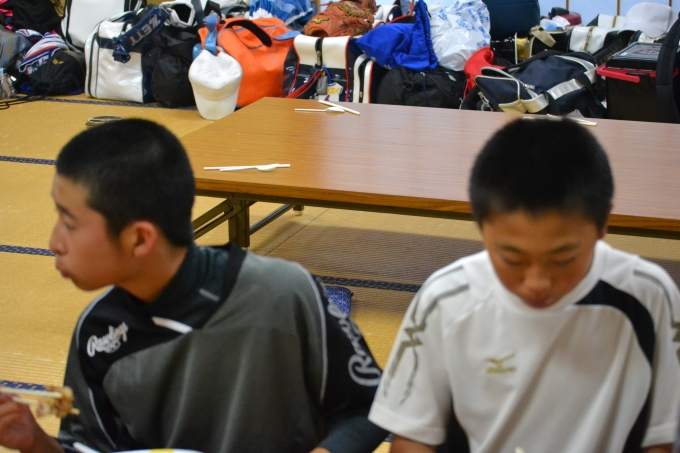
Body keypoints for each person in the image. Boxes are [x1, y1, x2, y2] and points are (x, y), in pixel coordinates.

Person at [0, 119, 387, 453]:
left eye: (69, 224)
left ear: (139, 239)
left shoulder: (284, 292)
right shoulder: (97, 334)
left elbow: (372, 405)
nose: (53, 242)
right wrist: (35, 441)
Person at [368, 118, 680, 453]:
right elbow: (413, 435)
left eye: (563, 259)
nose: (537, 283)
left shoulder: (649, 295)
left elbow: (659, 437)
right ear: (481, 226)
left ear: (603, 224)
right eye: (512, 259)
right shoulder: (445, 300)